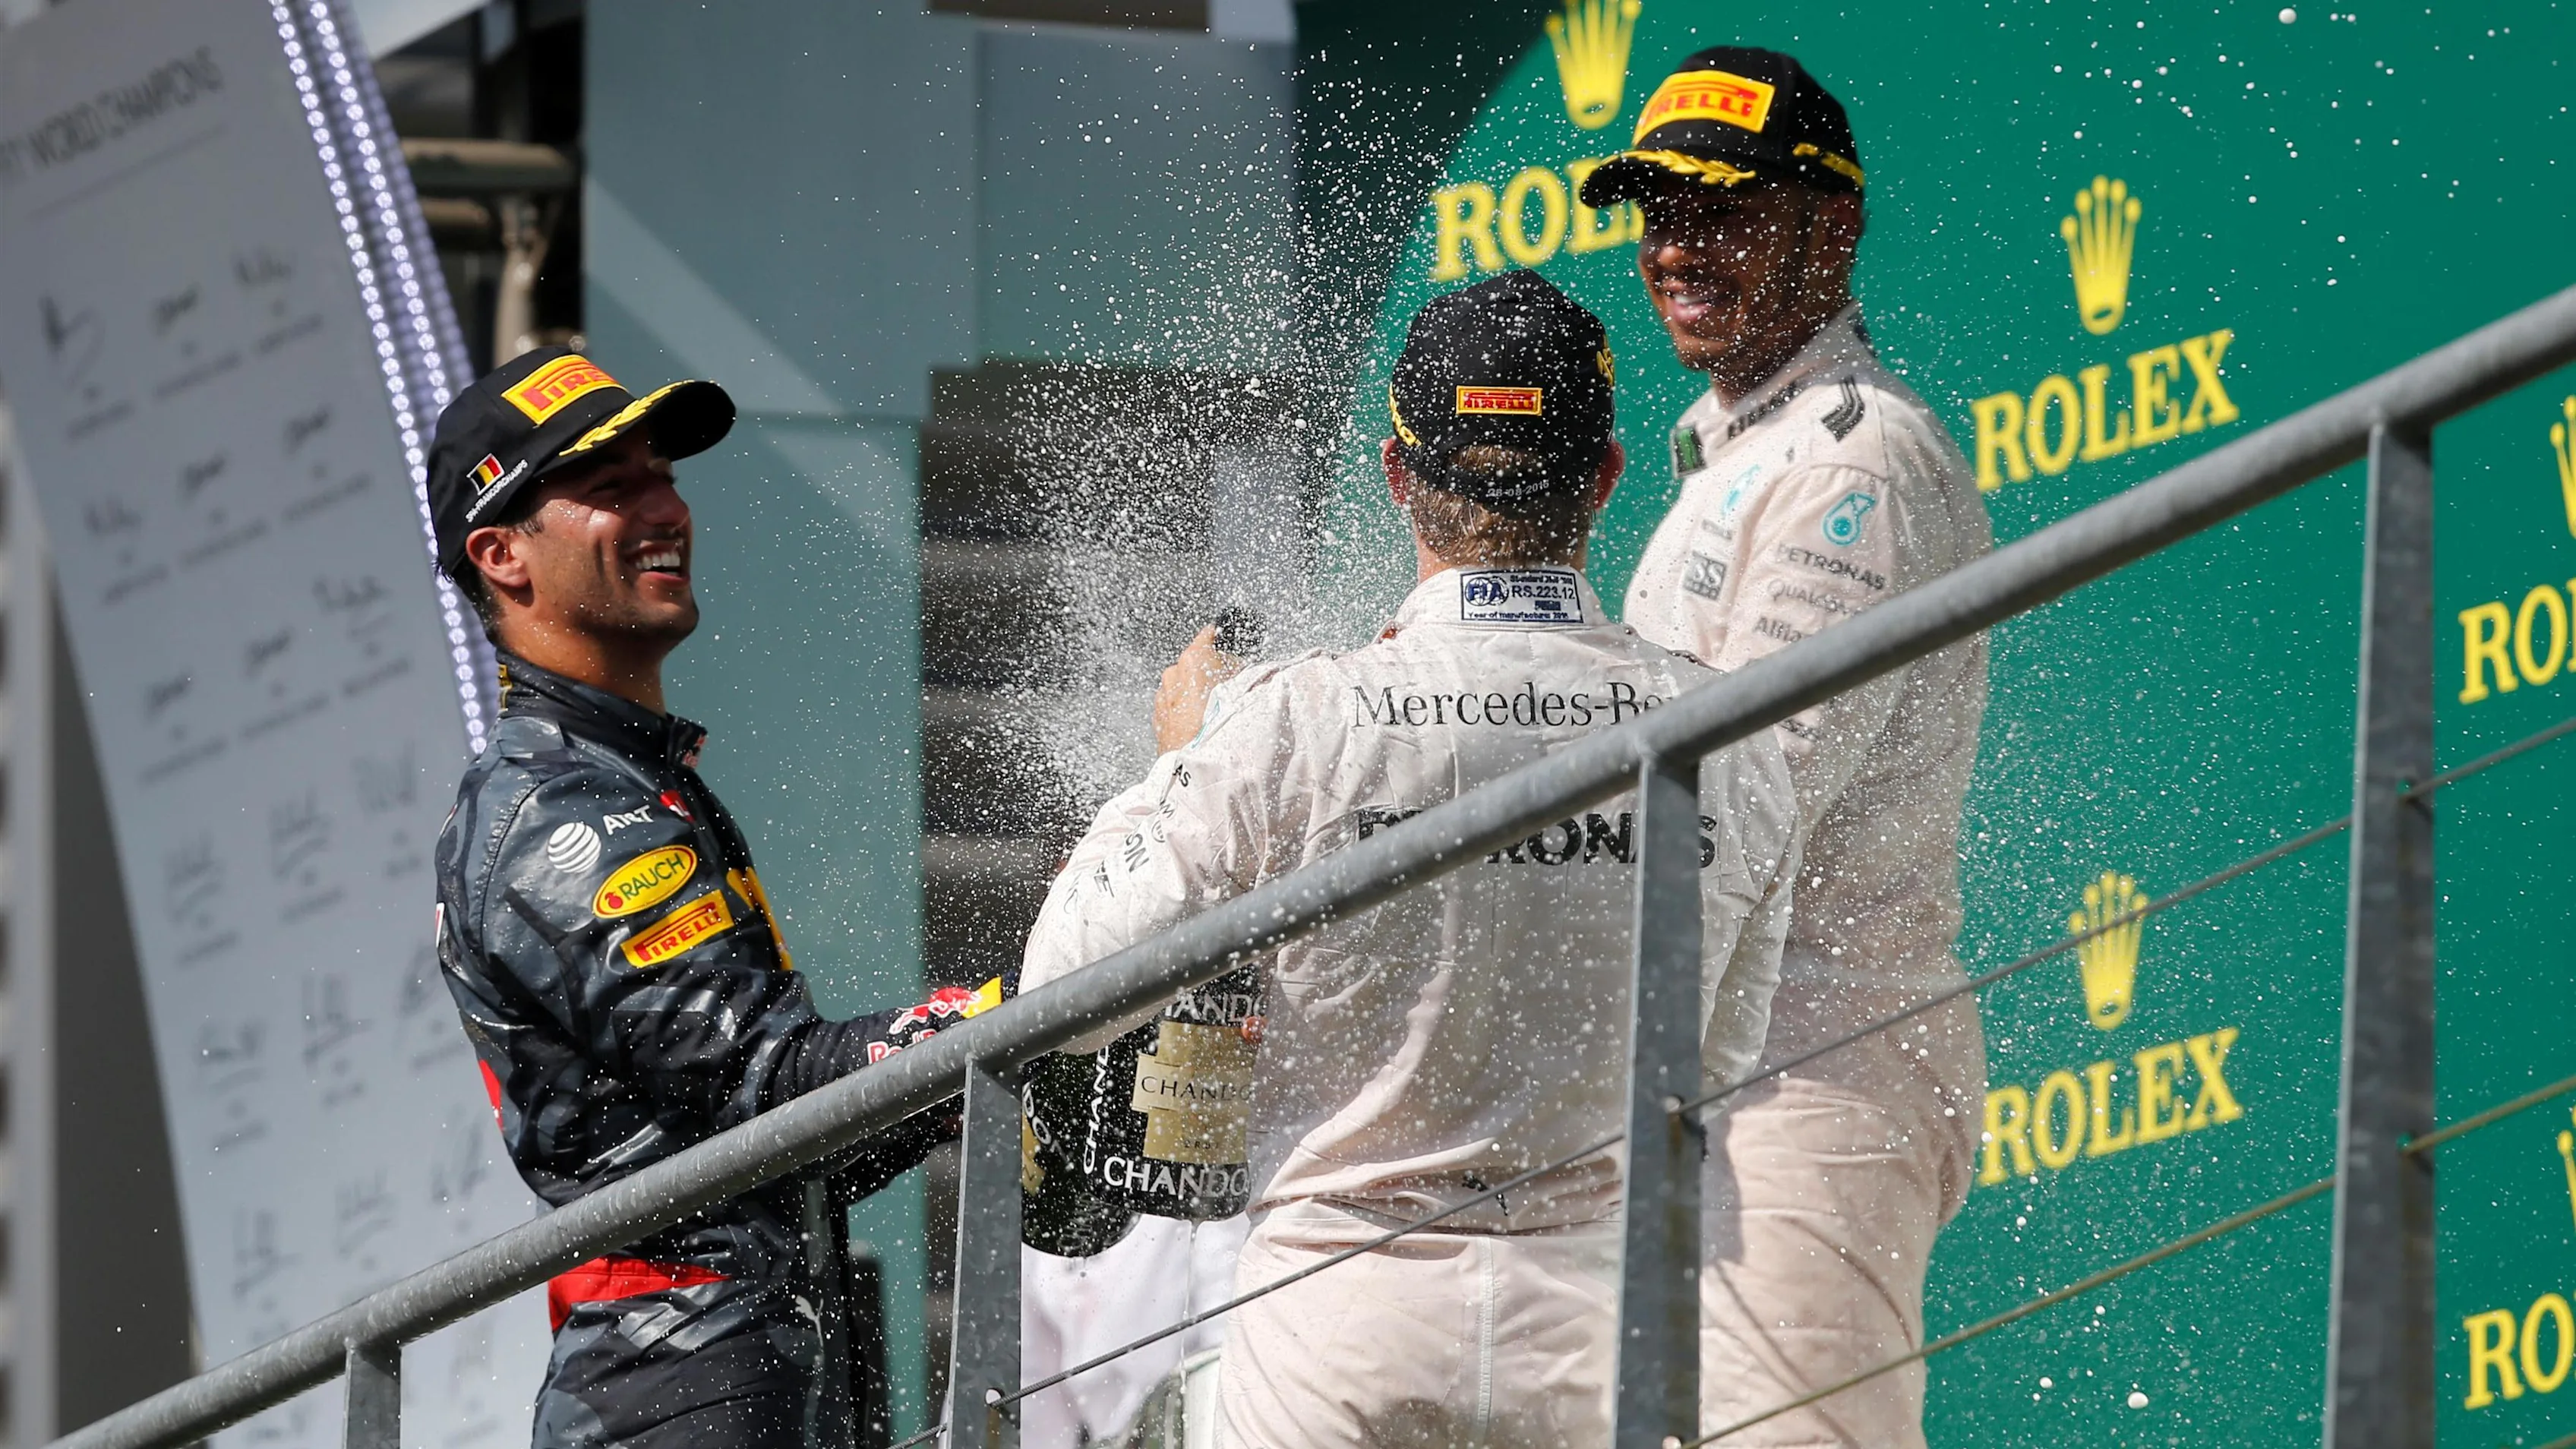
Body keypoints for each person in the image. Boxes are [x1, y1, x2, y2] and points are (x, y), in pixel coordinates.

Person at [1018, 272, 1801, 1449]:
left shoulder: (1286, 721)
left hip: (1336, 1322)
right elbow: (1721, 1064)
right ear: (1603, 477)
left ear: (1399, 476)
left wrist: (1176, 758)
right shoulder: (1731, 735)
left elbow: (1061, 996)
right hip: (1607, 1321)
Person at [427, 349, 993, 1449]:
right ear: (501, 556)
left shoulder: (629, 778)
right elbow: (767, 1082)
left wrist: (1005, 1060)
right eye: (611, 486)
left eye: (661, 474)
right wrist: (1015, 1017)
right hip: (681, 1391)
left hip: (751, 1368)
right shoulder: (556, 817)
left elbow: (772, 1142)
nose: (664, 509)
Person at [1580, 46, 1994, 1449]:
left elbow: (1746, 804)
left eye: (1727, 211)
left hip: (1815, 1067)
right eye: (1657, 212)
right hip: (1721, 1069)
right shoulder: (1737, 452)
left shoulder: (1850, 461)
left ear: (1838, 226)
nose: (1679, 248)